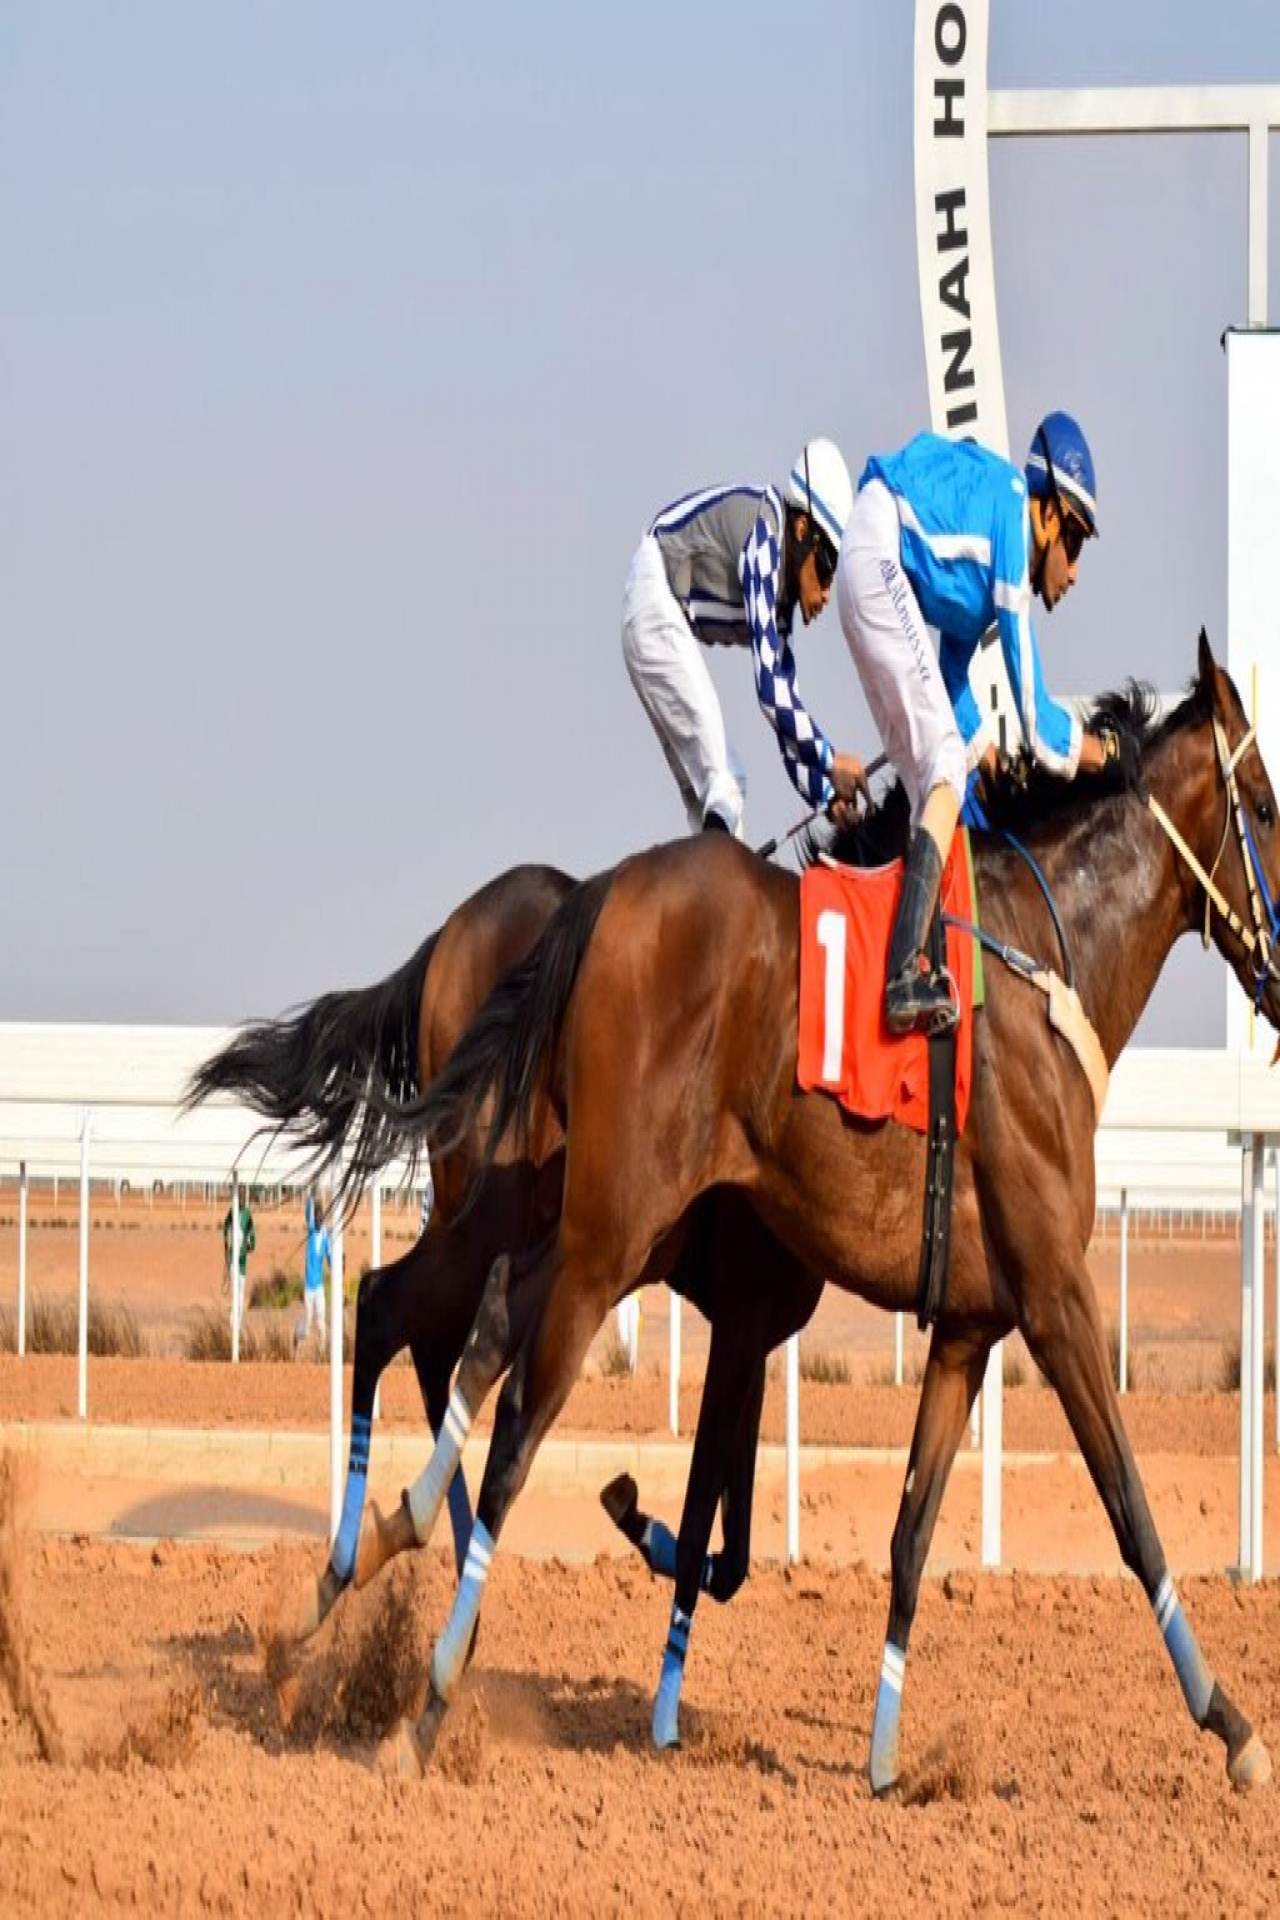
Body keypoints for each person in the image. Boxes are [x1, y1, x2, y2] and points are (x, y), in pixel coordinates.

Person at [836, 410, 1130, 1036]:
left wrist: (980, 746)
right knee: (945, 766)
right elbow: (1040, 725)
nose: (1075, 571)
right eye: (1075, 542)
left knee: (936, 782)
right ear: (1046, 516)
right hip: (875, 553)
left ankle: (901, 955)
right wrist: (1108, 753)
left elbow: (950, 674)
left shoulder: (990, 566)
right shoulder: (1012, 538)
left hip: (872, 558)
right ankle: (902, 974)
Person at [622, 439, 869, 839]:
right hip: (654, 597)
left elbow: (786, 718)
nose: (826, 593)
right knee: (727, 781)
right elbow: (769, 692)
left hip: (657, 615)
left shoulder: (781, 608)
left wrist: (825, 797)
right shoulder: (765, 534)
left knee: (715, 803)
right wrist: (830, 758)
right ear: (802, 529)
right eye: (826, 567)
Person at [298, 1190, 332, 1354]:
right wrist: (311, 1197)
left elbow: (330, 1255)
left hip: (319, 1287)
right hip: (308, 1287)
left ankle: (321, 1352)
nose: (318, 1220)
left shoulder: (325, 1236)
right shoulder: (311, 1230)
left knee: (321, 1322)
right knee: (307, 1326)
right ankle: (297, 1334)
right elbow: (308, 1213)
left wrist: (335, 1268)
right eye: (316, 1216)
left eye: (320, 1217)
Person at [221, 1190, 255, 1331]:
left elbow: (251, 1233)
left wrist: (250, 1245)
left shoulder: (247, 1214)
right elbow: (225, 1229)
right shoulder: (232, 1212)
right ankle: (233, 1325)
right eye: (238, 1196)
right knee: (235, 1293)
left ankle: (238, 1325)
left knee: (241, 1295)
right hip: (233, 1259)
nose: (240, 1199)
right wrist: (227, 1245)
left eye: (242, 1196)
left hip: (243, 1261)